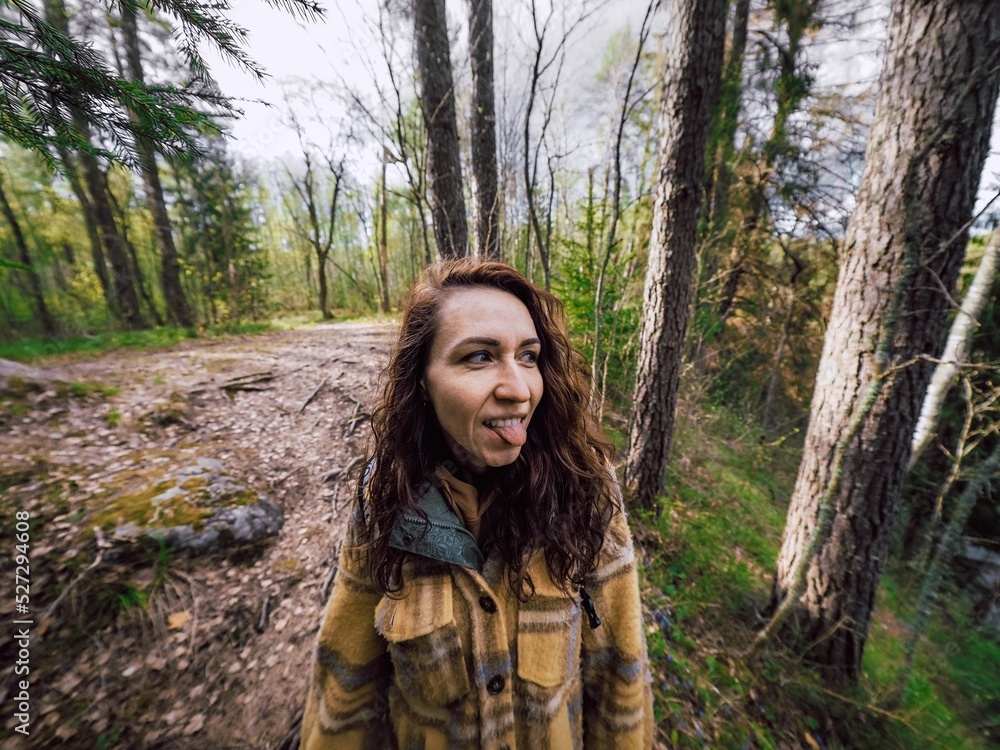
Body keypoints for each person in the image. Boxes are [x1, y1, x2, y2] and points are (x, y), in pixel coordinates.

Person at [299, 259, 653, 750]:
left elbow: (620, 672)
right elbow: (345, 681)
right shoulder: (386, 499)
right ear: (422, 382)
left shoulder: (586, 490)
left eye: (528, 356)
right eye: (480, 357)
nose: (519, 390)